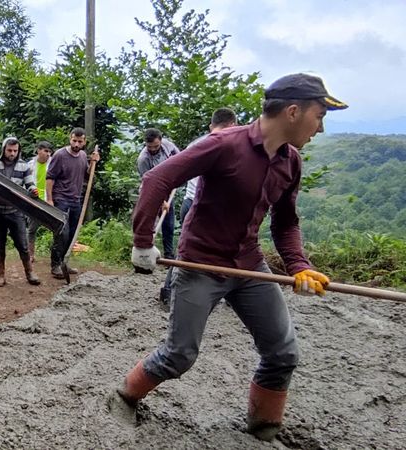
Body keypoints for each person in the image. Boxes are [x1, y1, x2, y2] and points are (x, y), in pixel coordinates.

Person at [122, 73, 347, 442]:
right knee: (179, 356)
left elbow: (286, 222)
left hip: (249, 266)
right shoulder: (224, 144)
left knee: (283, 352)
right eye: (319, 116)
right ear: (293, 111)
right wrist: (142, 242)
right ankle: (125, 396)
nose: (320, 128)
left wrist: (300, 266)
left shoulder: (290, 163)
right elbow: (156, 180)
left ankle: (264, 427)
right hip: (201, 265)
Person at [159, 108, 238, 306]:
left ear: (212, 125)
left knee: (186, 251)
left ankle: (168, 291)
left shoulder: (197, 143)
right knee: (227, 249)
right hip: (206, 206)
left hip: (190, 203)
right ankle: (231, 295)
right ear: (233, 125)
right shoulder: (232, 145)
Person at [0, 137, 41, 287]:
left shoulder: (24, 166)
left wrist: (33, 190)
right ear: (3, 149)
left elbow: (29, 183)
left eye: (15, 151)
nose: (12, 153)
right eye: (9, 150)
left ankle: (30, 272)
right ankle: (0, 275)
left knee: (22, 244)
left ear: (18, 151)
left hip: (15, 211)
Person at [46, 127, 100, 279]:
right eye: (74, 141)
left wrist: (93, 163)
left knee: (73, 233)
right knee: (62, 233)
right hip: (61, 199)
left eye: (80, 141)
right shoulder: (60, 155)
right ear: (70, 139)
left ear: (84, 142)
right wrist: (50, 199)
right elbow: (50, 177)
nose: (76, 144)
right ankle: (55, 265)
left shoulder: (83, 155)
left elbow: (87, 175)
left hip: (76, 199)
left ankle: (64, 262)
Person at [136, 128, 180, 259]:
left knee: (168, 223)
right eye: (150, 147)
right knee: (149, 220)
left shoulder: (168, 146)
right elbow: (148, 184)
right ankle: (144, 250)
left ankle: (169, 255)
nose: (153, 149)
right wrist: (161, 201)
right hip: (150, 190)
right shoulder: (143, 159)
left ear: (161, 141)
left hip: (168, 186)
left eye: (156, 146)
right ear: (145, 144)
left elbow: (179, 160)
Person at [26, 141, 53, 263]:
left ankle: (56, 256)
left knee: (56, 228)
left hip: (50, 200)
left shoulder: (53, 164)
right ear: (38, 150)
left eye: (49, 152)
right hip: (34, 200)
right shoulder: (30, 165)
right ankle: (30, 255)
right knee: (32, 229)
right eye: (46, 151)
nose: (48, 154)